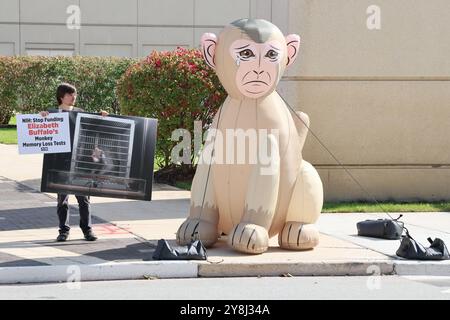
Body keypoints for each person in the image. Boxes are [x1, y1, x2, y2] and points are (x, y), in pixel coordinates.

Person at [40, 83, 108, 242]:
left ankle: (87, 230)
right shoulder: (51, 113)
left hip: (80, 162)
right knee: (62, 199)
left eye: (74, 94)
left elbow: (92, 127)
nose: (73, 97)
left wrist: (102, 115)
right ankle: (63, 231)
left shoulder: (80, 113)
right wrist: (41, 116)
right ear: (61, 96)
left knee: (83, 199)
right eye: (70, 94)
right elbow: (38, 128)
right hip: (60, 163)